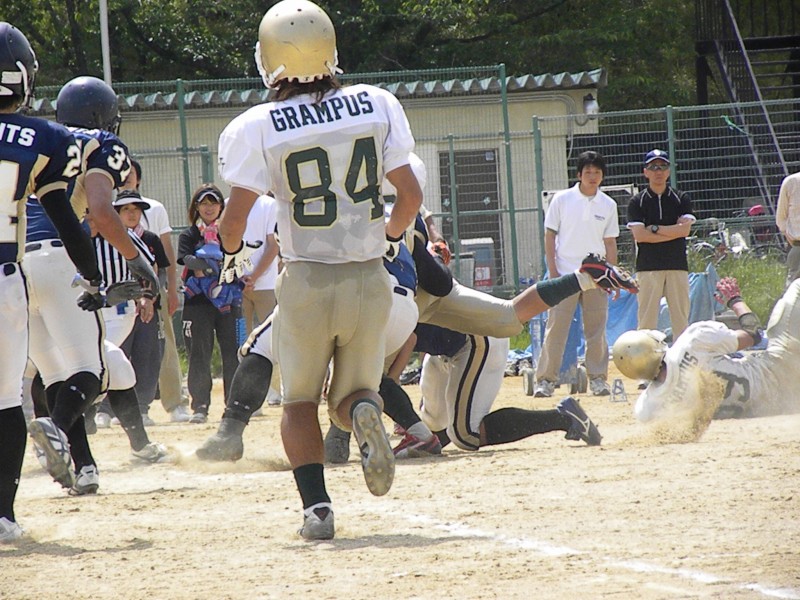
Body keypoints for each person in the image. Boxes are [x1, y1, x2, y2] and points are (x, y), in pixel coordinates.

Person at [216, 0, 426, 541]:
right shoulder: (376, 103)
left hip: (307, 278)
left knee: (299, 402)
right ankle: (365, 413)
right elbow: (410, 196)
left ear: (271, 57)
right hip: (371, 277)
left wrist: (233, 254)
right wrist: (391, 238)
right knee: (355, 394)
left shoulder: (257, 125)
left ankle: (318, 510)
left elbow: (234, 221)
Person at [25, 74, 162, 496]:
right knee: (94, 369)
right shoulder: (102, 142)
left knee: (55, 374)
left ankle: (83, 468)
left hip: (14, 264)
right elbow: (102, 211)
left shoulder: (42, 136)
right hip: (58, 257)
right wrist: (138, 262)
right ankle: (55, 428)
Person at [0, 22, 104, 541]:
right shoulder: (45, 138)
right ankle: (3, 514)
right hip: (6, 279)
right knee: (6, 400)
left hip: (18, 277)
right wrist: (93, 275)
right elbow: (66, 216)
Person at [613, 277, 800, 434]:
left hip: (772, 407)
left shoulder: (647, 408)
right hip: (782, 371)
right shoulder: (694, 340)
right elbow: (753, 334)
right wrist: (734, 299)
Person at [416, 324, 602, 451]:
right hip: (445, 348)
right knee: (433, 424)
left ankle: (564, 418)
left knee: (465, 435)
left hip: (477, 339)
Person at [534, 151, 621, 398]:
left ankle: (598, 379)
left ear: (602, 176)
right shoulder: (561, 200)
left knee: (596, 331)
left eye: (597, 172)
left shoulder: (608, 205)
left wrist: (611, 276)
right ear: (579, 174)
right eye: (588, 172)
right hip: (565, 274)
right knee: (556, 329)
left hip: (596, 276)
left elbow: (610, 242)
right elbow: (549, 236)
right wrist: (553, 271)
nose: (592, 176)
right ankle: (546, 381)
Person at [122, 159, 190, 422]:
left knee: (164, 346)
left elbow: (166, 253)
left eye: (131, 172)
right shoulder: (104, 209)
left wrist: (171, 289)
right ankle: (114, 408)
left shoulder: (155, 208)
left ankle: (175, 403)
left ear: (139, 178)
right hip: (121, 292)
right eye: (121, 172)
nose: (126, 176)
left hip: (152, 290)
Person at [178, 183, 242, 424]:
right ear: (196, 207)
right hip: (197, 303)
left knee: (233, 352)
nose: (208, 208)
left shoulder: (231, 232)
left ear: (221, 207)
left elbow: (239, 259)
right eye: (203, 203)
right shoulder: (189, 235)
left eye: (213, 203)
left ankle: (234, 405)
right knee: (198, 353)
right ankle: (200, 406)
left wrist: (212, 267)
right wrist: (210, 265)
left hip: (229, 301)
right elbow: (186, 259)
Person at [113, 190, 170, 422]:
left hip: (148, 307)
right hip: (118, 307)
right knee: (117, 353)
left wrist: (152, 295)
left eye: (136, 209)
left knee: (147, 356)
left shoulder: (151, 239)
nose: (132, 214)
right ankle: (107, 409)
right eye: (126, 209)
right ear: (116, 213)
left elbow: (161, 269)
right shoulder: (108, 239)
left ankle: (142, 407)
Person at [627, 149, 694, 342]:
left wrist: (655, 229)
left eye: (663, 166)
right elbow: (640, 236)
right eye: (653, 167)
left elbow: (685, 231)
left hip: (676, 265)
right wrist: (672, 231)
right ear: (645, 172)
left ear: (669, 171)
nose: (658, 171)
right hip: (648, 266)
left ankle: (682, 357)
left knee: (681, 320)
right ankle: (646, 359)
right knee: (646, 322)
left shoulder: (681, 198)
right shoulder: (637, 201)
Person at [775, 170, 800, 287]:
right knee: (794, 291)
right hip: (798, 248)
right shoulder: (792, 182)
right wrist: (792, 239)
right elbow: (781, 219)